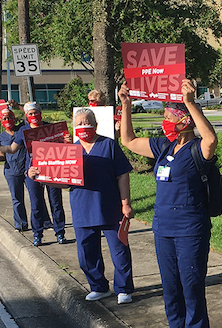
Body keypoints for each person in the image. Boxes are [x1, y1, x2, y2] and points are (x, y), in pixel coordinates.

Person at [118, 79, 217, 328]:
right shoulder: (164, 146)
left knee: (192, 287)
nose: (164, 122)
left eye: (168, 117)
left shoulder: (197, 149)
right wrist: (127, 106)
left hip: (190, 230)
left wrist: (191, 103)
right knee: (171, 289)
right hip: (163, 230)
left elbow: (211, 139)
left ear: (184, 121)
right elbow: (128, 140)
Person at [28, 108, 135, 304]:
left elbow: (123, 175)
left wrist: (125, 203)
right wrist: (39, 176)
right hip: (82, 208)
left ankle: (124, 288)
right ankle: (98, 287)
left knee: (119, 250)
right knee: (86, 252)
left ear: (95, 125)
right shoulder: (70, 152)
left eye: (87, 122)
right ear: (73, 127)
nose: (83, 126)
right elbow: (61, 181)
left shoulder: (109, 145)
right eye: (79, 123)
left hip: (110, 207)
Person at [0, 102, 67, 247]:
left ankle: (60, 233)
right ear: (27, 116)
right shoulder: (23, 130)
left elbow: (63, 147)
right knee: (36, 203)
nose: (34, 116)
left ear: (41, 113)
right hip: (33, 172)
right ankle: (37, 235)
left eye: (36, 112)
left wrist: (67, 142)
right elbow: (11, 149)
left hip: (52, 171)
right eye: (30, 113)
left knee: (56, 202)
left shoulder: (50, 128)